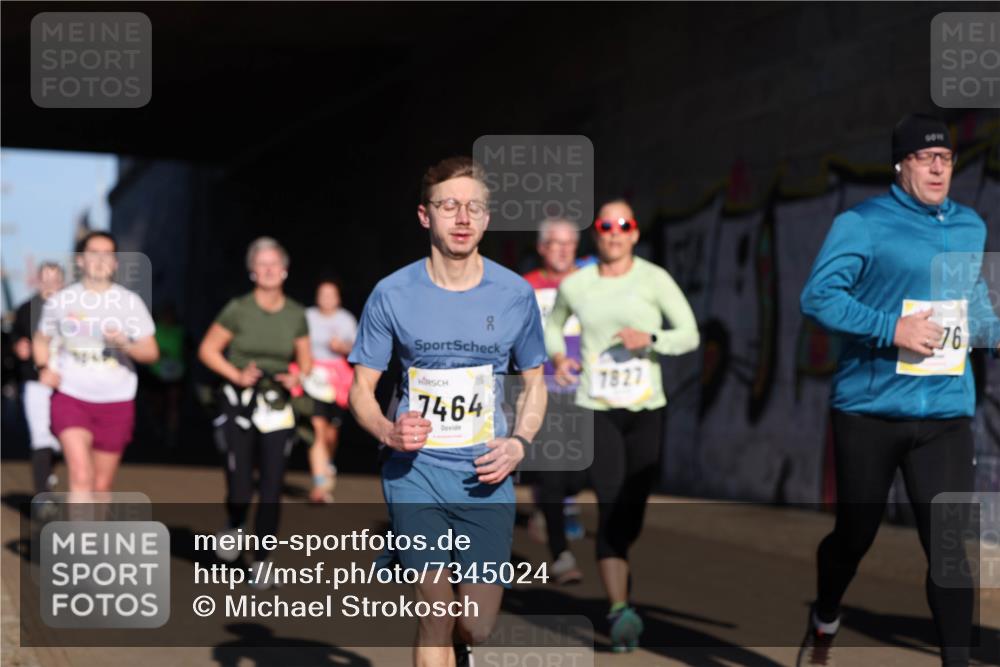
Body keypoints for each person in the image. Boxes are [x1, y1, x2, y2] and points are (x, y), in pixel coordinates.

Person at [798, 114, 1000, 667]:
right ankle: (826, 611)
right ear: (901, 164)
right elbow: (818, 298)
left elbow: (973, 305)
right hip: (869, 411)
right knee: (854, 536)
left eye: (946, 159)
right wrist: (893, 328)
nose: (938, 168)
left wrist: (995, 334)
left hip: (945, 413)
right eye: (925, 158)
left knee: (949, 549)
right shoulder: (861, 223)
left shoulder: (970, 227)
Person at [348, 156, 547, 667]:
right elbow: (360, 389)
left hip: (485, 474)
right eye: (449, 206)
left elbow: (535, 384)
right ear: (424, 215)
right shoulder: (391, 293)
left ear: (487, 218)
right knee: (435, 613)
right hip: (415, 472)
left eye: (474, 207)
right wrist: (388, 431)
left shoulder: (515, 294)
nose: (462, 218)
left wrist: (519, 443)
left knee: (476, 627)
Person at [547, 199, 699, 652]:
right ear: (597, 233)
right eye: (605, 225)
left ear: (634, 233)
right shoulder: (577, 284)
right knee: (611, 504)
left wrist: (650, 339)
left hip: (646, 408)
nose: (614, 232)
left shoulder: (654, 279)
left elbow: (689, 334)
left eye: (624, 225)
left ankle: (619, 566)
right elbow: (554, 327)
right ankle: (619, 609)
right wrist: (559, 357)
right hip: (596, 407)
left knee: (632, 508)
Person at [198, 237, 312, 580]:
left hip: (276, 406)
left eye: (274, 264)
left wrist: (296, 378)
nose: (268, 270)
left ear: (285, 270)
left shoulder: (296, 314)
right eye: (261, 264)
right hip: (238, 403)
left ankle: (262, 559)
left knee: (273, 485)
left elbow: (306, 363)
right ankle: (234, 521)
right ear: (252, 271)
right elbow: (207, 350)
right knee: (240, 486)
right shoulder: (238, 309)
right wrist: (236, 374)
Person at [33, 232, 159, 494]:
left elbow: (151, 352)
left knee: (101, 486)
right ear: (80, 260)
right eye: (94, 253)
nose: (100, 260)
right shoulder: (61, 301)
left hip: (116, 400)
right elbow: (41, 338)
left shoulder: (129, 303)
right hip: (71, 397)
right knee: (81, 475)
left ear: (115, 263)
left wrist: (124, 343)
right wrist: (43, 368)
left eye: (107, 254)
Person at [522, 218, 589, 584]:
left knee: (578, 474)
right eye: (555, 243)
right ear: (542, 247)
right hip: (542, 389)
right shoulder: (526, 287)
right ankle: (561, 555)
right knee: (552, 469)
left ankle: (553, 504)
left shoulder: (591, 283)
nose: (562, 249)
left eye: (569, 244)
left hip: (587, 390)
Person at [302, 278, 357, 503]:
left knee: (330, 433)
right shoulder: (307, 317)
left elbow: (357, 348)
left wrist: (341, 347)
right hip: (312, 377)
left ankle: (328, 463)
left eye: (330, 295)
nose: (326, 299)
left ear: (338, 298)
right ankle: (319, 483)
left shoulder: (346, 320)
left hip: (336, 379)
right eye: (322, 294)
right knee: (316, 425)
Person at [12, 262, 65, 494]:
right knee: (41, 436)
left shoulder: (72, 308)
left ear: (62, 283)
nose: (51, 285)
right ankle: (43, 495)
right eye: (46, 280)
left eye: (55, 280)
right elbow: (13, 338)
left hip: (67, 383)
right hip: (36, 381)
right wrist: (17, 346)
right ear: (39, 281)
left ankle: (51, 474)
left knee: (64, 436)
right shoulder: (26, 309)